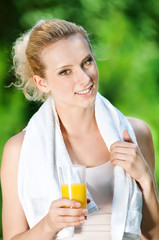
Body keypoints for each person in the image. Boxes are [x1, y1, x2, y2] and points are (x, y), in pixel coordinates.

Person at [0, 19, 159, 240]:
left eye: (86, 62)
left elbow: (153, 236)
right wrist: (48, 225)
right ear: (41, 82)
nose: (84, 79)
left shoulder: (135, 134)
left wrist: (146, 181)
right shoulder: (19, 150)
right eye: (65, 72)